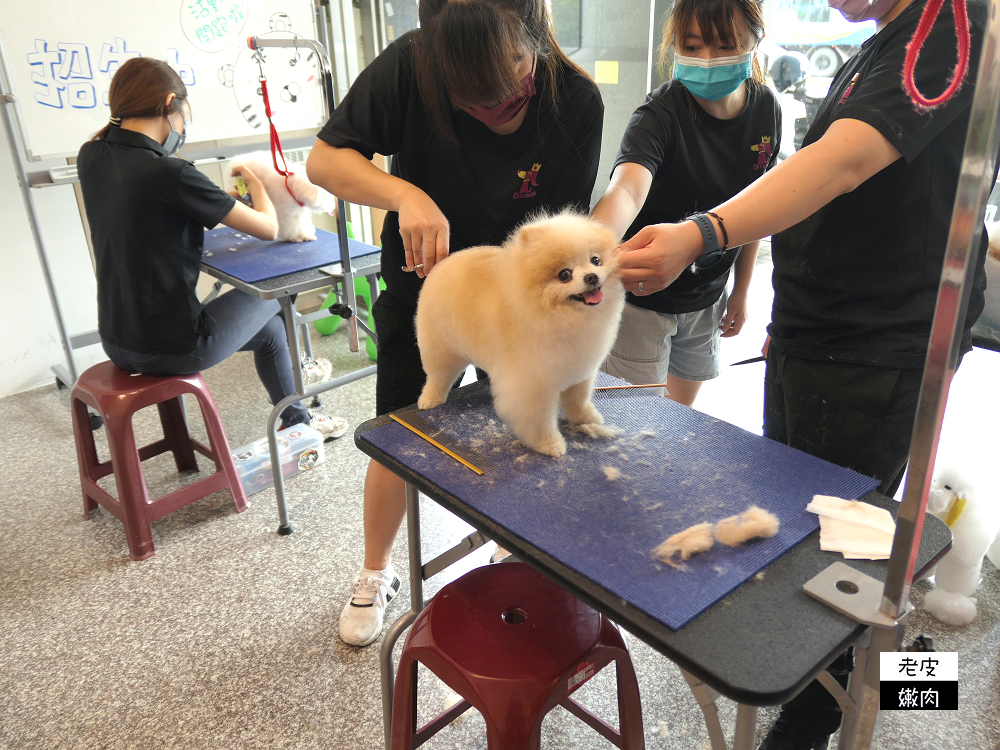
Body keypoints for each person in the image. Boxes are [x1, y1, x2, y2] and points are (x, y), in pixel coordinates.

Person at [612, 0, 992, 747]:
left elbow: (845, 161)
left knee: (843, 530)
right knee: (807, 526)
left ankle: (832, 706)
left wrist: (703, 233)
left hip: (870, 347)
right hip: (817, 331)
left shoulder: (952, 31)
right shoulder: (886, 38)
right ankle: (837, 671)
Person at [306, 0, 604, 647]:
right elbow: (325, 161)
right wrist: (402, 194)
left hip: (518, 309)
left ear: (533, 35)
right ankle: (375, 569)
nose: (495, 109)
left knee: (520, 430)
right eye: (472, 101)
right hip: (429, 294)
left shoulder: (574, 100)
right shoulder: (409, 67)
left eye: (510, 83)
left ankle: (512, 541)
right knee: (398, 430)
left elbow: (565, 236)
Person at [78, 58, 346, 440]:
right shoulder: (170, 173)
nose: (183, 127)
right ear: (171, 102)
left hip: (116, 337)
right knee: (277, 294)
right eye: (184, 116)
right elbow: (269, 228)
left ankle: (299, 420)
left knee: (270, 333)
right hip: (174, 346)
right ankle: (305, 369)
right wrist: (256, 183)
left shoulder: (93, 155)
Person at [591, 0, 780, 406]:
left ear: (755, 41)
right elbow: (626, 190)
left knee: (679, 419)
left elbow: (755, 210)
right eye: (692, 47)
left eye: (725, 45)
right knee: (631, 421)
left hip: (707, 298)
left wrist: (741, 290)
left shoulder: (767, 109)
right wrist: (586, 251)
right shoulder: (658, 116)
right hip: (643, 304)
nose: (708, 61)